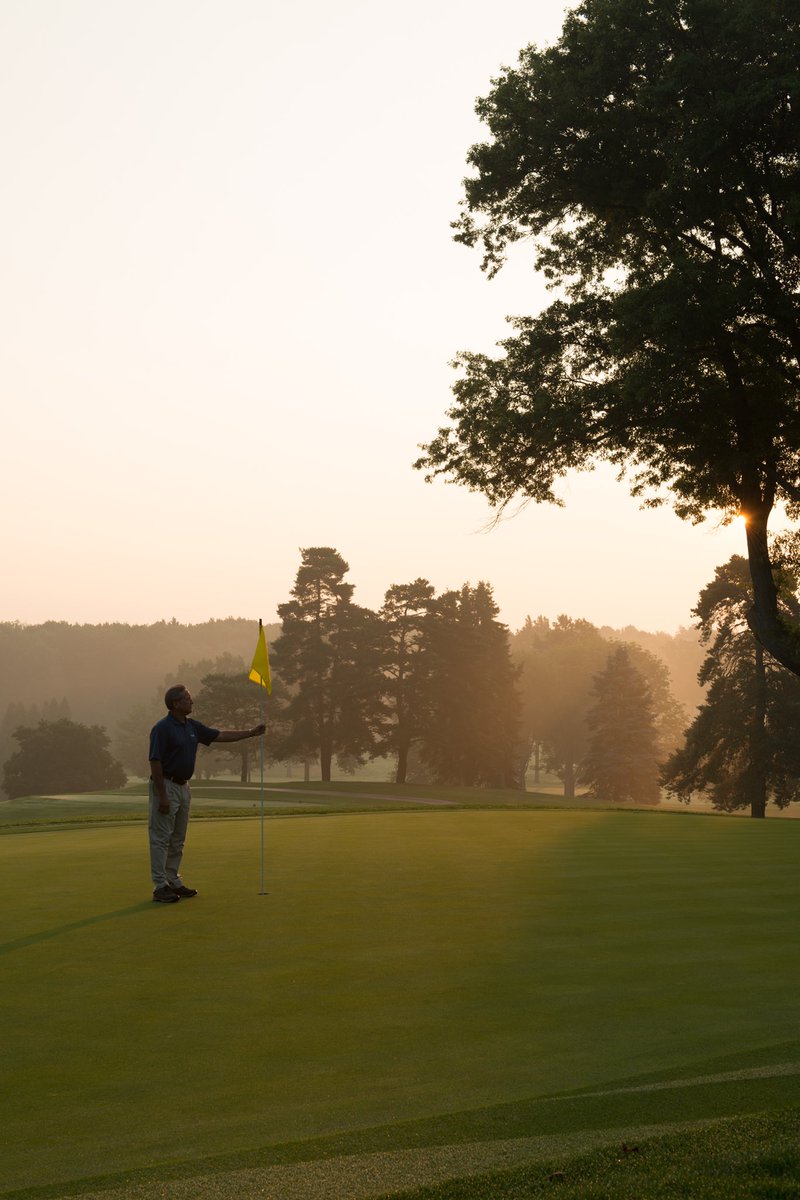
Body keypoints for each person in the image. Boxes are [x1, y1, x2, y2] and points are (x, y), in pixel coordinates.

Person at [148, 684, 266, 903]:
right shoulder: (162, 728)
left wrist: (250, 733)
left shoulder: (192, 726)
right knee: (161, 838)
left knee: (178, 838)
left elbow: (220, 735)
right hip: (166, 784)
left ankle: (173, 880)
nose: (191, 702)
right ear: (175, 703)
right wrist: (162, 795)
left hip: (184, 786)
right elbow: (155, 761)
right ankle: (159, 886)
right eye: (187, 699)